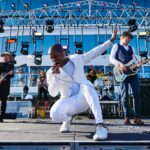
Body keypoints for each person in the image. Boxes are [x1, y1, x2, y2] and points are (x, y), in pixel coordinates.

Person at [46, 28, 117, 141]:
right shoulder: (51, 72)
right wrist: (56, 76)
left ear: (63, 53)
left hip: (83, 98)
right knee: (54, 114)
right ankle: (67, 119)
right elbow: (53, 94)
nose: (54, 60)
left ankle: (100, 126)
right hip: (69, 102)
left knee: (87, 84)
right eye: (51, 58)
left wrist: (110, 41)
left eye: (55, 56)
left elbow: (94, 52)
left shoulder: (77, 59)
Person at [109, 31, 144, 125]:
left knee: (137, 95)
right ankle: (126, 117)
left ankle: (137, 117)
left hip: (133, 74)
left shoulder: (131, 48)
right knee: (125, 96)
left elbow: (135, 60)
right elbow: (111, 59)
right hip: (122, 74)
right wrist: (120, 64)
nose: (128, 40)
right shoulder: (116, 46)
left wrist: (138, 64)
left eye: (129, 39)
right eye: (126, 38)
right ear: (121, 37)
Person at [0, 52, 14, 122]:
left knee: (3, 101)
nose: (6, 57)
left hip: (5, 86)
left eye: (8, 56)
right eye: (5, 56)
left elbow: (11, 75)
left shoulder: (11, 65)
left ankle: (1, 117)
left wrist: (7, 76)